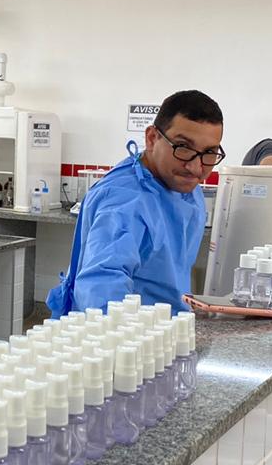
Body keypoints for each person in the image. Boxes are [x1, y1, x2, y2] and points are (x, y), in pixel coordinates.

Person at [47, 90, 224, 314]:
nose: (196, 167)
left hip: (165, 324)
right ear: (152, 138)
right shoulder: (125, 202)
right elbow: (100, 291)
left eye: (209, 152)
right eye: (183, 147)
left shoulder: (184, 185)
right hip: (130, 330)